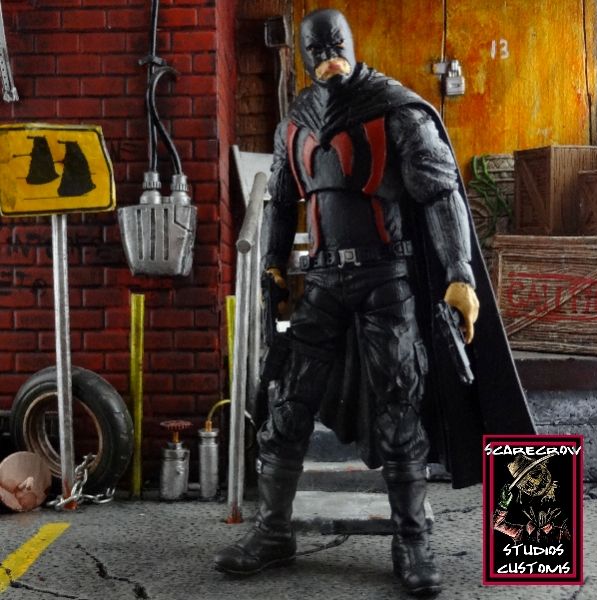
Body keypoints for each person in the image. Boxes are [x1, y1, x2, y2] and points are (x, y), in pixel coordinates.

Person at [215, 8, 534, 597]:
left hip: (387, 283)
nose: (327, 56)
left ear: (351, 44)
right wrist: (274, 265)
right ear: (304, 55)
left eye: (335, 44)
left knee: (399, 408)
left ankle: (412, 539)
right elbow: (281, 202)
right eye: (316, 48)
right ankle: (274, 531)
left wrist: (459, 274)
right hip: (322, 285)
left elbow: (441, 195)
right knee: (288, 404)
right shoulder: (295, 123)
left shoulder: (396, 109)